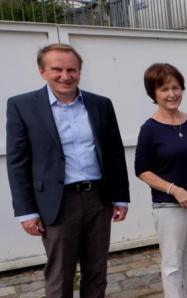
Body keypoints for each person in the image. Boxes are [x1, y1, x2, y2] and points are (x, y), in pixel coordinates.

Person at [6, 43, 129, 297]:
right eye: (57, 69)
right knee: (60, 274)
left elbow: (115, 153)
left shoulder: (100, 104)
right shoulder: (22, 106)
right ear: (42, 71)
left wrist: (120, 196)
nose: (65, 75)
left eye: (71, 69)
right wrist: (26, 211)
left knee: (97, 271)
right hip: (57, 202)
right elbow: (17, 162)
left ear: (80, 72)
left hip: (98, 199)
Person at [134, 63, 187, 298]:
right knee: (172, 264)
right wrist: (174, 190)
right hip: (169, 206)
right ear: (153, 93)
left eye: (176, 87)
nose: (172, 94)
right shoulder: (149, 129)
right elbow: (142, 170)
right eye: (164, 89)